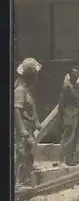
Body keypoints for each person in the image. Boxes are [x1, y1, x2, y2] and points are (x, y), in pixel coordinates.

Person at [14, 58, 42, 186]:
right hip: (24, 128)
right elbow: (17, 111)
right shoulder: (20, 90)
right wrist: (22, 130)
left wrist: (36, 121)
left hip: (29, 126)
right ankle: (18, 183)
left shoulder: (28, 89)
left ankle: (26, 180)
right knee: (22, 154)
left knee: (29, 154)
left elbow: (32, 107)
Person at [58, 63, 79, 166]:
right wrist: (60, 115)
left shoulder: (76, 86)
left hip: (74, 113)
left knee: (73, 137)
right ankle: (62, 159)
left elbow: (78, 100)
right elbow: (62, 102)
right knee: (67, 137)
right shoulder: (67, 86)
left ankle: (70, 159)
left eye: (78, 71)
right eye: (75, 70)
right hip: (68, 113)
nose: (77, 73)